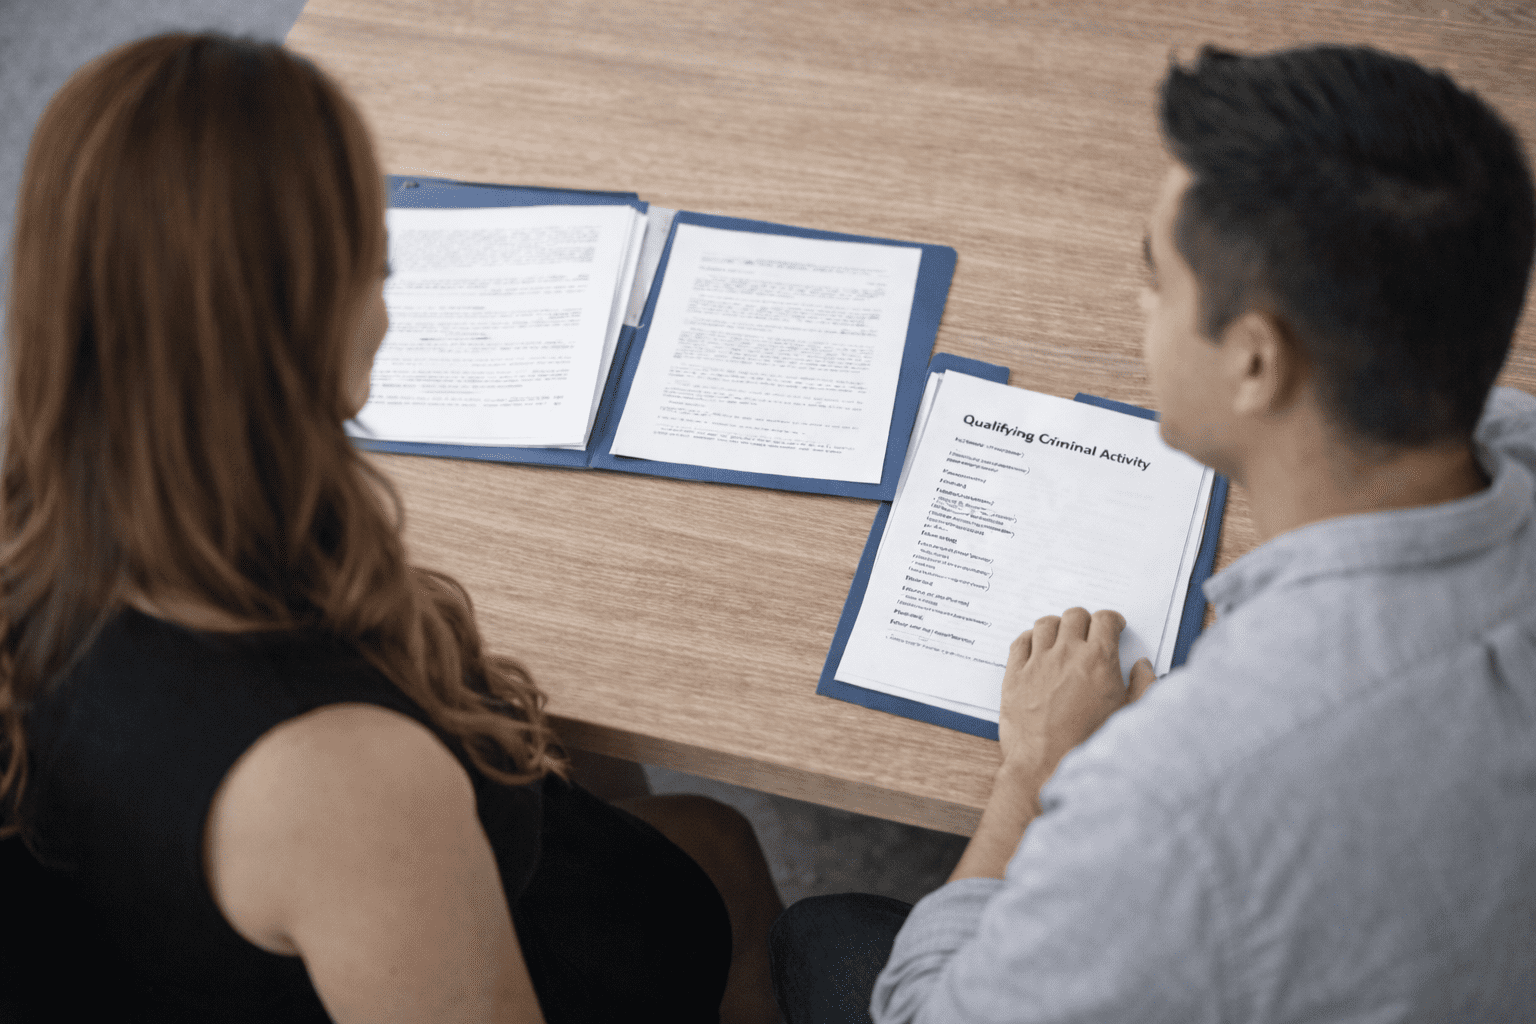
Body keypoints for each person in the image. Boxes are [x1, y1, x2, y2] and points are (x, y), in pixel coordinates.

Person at [0, 33, 785, 1024]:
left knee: (604, 775)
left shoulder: (43, 533)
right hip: (410, 910)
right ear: (294, 329)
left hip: (223, 929)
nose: (387, 306)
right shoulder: (341, 781)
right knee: (724, 850)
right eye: (375, 260)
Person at [769, 43, 1536, 1024]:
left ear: (1256, 361)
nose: (1138, 306)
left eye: (1154, 276)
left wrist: (1037, 775)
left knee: (826, 936)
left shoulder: (1176, 794)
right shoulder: (1507, 432)